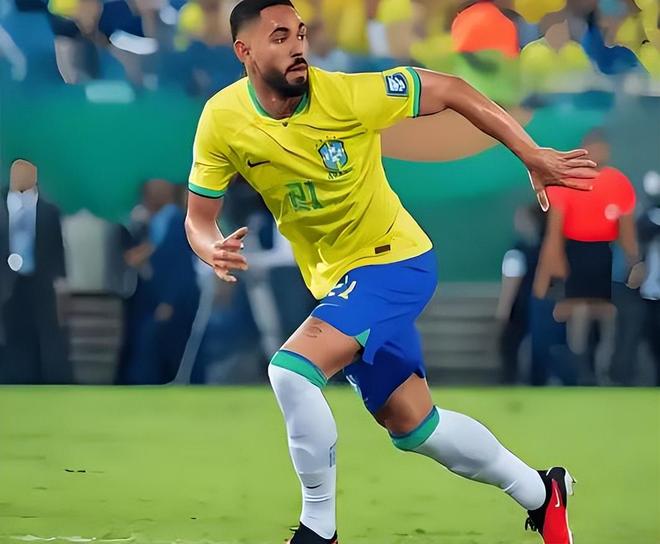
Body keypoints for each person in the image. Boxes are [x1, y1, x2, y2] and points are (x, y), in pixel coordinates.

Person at [184, 1, 598, 542]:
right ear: (244, 51)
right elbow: (199, 219)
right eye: (280, 37)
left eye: (300, 34)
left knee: (290, 371)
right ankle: (542, 493)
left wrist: (529, 152)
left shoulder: (348, 95)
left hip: (394, 262)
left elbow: (451, 88)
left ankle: (318, 531)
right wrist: (211, 248)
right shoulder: (222, 118)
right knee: (415, 427)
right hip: (339, 283)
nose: (297, 47)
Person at [117, 179, 200, 384]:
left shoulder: (174, 221)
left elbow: (179, 266)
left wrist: (169, 301)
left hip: (169, 299)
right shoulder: (156, 221)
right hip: (153, 297)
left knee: (157, 345)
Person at [0, 159, 71, 384]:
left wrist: (61, 282)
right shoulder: (2, 207)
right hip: (6, 283)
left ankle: (44, 379)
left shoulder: (49, 211)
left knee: (43, 333)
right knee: (8, 333)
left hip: (39, 282)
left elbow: (58, 251)